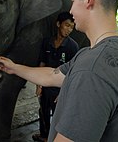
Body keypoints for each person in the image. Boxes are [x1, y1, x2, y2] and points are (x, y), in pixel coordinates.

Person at [0, 0, 118, 141]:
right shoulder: (114, 51)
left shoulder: (93, 68)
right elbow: (53, 75)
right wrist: (14, 68)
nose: (71, 11)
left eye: (73, 0)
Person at [32, 12, 79, 142]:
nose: (69, 30)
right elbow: (42, 62)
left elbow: (73, 71)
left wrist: (65, 91)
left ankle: (55, 138)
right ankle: (44, 136)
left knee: (59, 115)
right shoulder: (47, 42)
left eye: (71, 27)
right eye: (66, 25)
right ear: (58, 24)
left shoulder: (72, 46)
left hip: (60, 88)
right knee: (43, 111)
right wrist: (38, 84)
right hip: (46, 84)